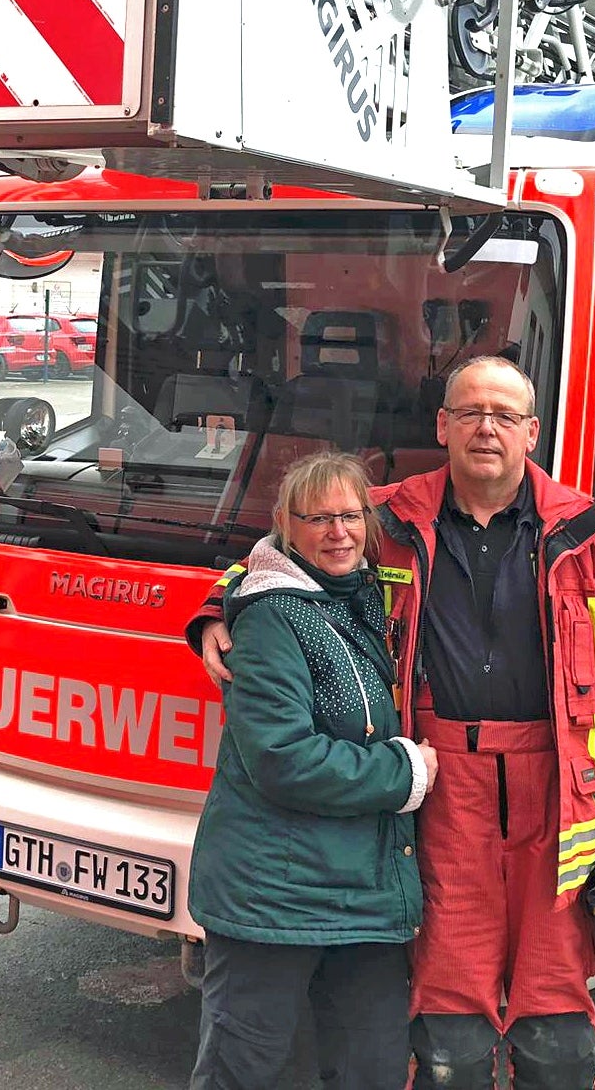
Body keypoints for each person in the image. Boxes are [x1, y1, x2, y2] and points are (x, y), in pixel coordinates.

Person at [191, 356, 595, 1088]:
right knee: (447, 1005)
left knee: (554, 1012)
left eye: (504, 415)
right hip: (439, 780)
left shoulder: (589, 537)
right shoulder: (390, 515)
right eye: (469, 412)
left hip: (556, 786)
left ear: (531, 432)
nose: (486, 427)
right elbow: (287, 548)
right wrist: (214, 611)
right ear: (442, 425)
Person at [187, 451, 440, 1090]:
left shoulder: (365, 591)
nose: (338, 532)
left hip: (365, 893)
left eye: (351, 516)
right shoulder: (275, 615)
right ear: (286, 526)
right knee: (244, 1069)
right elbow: (283, 759)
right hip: (274, 899)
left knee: (375, 1068)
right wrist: (403, 773)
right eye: (318, 519)